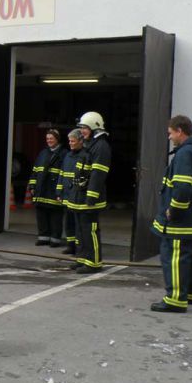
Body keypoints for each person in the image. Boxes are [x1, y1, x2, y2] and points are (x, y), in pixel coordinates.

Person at [150, 115, 192, 313]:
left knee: (175, 258)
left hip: (181, 223)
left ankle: (176, 300)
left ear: (180, 130)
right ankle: (191, 294)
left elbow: (182, 187)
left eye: (170, 133)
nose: (169, 137)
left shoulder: (184, 154)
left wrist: (174, 211)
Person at [67, 111, 111, 273]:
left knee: (89, 230)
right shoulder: (90, 144)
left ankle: (93, 263)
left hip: (89, 198)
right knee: (80, 230)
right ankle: (82, 259)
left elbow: (98, 174)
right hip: (80, 195)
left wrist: (91, 197)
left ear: (94, 127)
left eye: (85, 128)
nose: (82, 131)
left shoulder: (101, 146)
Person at [29, 128, 65, 247]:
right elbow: (35, 171)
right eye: (47, 138)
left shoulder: (64, 154)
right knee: (41, 215)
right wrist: (33, 186)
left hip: (54, 191)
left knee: (55, 216)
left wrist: (61, 191)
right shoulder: (43, 153)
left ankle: (55, 240)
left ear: (57, 139)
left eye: (51, 138)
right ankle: (43, 238)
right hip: (41, 191)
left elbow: (65, 174)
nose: (49, 140)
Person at [56, 129, 84, 255]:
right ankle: (70, 245)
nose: (70, 143)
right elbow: (62, 174)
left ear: (80, 141)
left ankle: (79, 247)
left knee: (78, 224)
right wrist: (58, 192)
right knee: (68, 223)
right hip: (66, 195)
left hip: (76, 196)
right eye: (69, 141)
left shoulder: (84, 156)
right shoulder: (68, 155)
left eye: (73, 141)